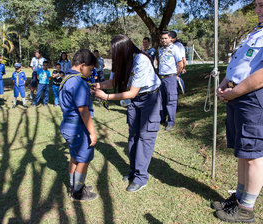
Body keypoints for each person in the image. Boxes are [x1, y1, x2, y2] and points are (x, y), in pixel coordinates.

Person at [212, 1, 263, 222]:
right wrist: (225, 83)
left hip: (251, 98)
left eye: (262, 5)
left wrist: (235, 92)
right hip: (238, 96)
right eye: (257, 5)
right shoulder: (257, 32)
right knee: (243, 153)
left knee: (253, 156)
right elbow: (240, 63)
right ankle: (240, 198)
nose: (257, 10)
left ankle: (246, 209)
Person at [93, 34, 161, 192]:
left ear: (123, 50)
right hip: (135, 100)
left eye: (114, 51)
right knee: (133, 136)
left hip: (149, 98)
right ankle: (133, 171)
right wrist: (97, 85)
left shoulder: (141, 60)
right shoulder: (121, 61)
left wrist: (107, 96)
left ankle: (141, 177)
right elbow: (113, 82)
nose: (112, 55)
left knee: (145, 137)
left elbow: (131, 92)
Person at [59, 49, 98, 201]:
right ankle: (77, 192)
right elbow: (84, 111)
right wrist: (92, 133)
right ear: (82, 65)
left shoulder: (67, 78)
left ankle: (74, 185)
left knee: (75, 157)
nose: (91, 72)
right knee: (84, 159)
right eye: (91, 69)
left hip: (68, 126)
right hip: (78, 128)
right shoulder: (78, 82)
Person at [158, 31, 183, 131]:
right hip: (162, 78)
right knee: (162, 99)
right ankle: (162, 118)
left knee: (171, 100)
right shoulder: (160, 50)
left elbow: (180, 64)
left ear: (170, 39)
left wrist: (175, 75)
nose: (164, 40)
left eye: (165, 38)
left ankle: (171, 122)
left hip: (170, 78)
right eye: (162, 38)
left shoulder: (175, 48)